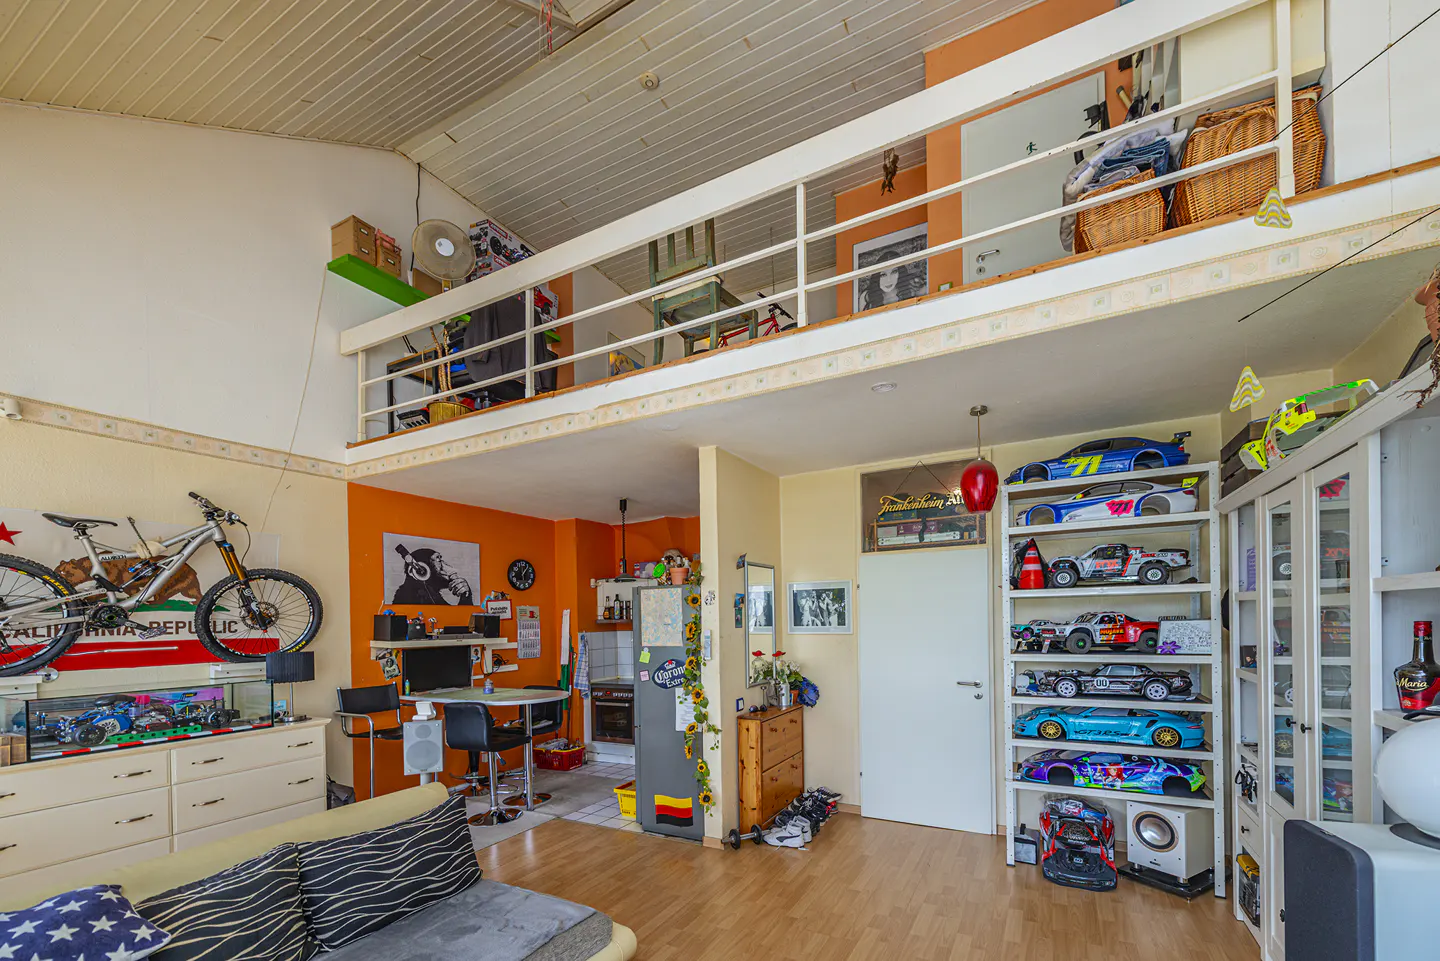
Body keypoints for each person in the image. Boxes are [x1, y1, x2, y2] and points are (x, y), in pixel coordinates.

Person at [392, 545, 473, 605]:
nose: (450, 568)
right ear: (419, 571)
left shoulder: (431, 594)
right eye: (438, 559)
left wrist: (465, 596)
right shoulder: (407, 597)